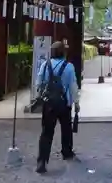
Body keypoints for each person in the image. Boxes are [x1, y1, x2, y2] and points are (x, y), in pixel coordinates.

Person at [35, 41, 80, 174]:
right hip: (64, 103)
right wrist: (76, 102)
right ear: (63, 53)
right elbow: (73, 86)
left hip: (49, 103)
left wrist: (40, 96)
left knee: (46, 132)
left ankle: (42, 161)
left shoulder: (45, 65)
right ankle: (67, 152)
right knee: (66, 129)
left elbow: (39, 83)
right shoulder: (69, 66)